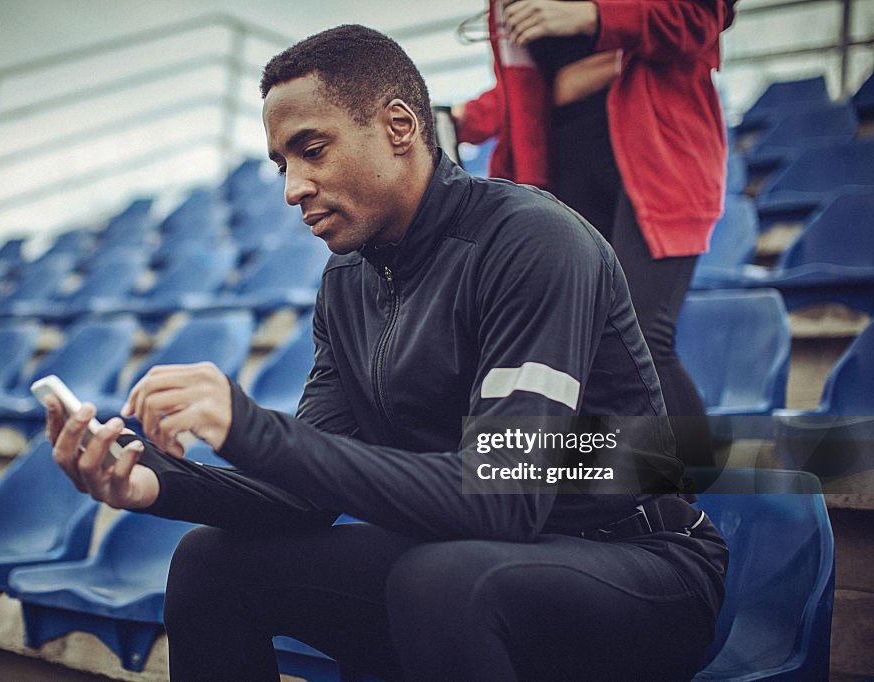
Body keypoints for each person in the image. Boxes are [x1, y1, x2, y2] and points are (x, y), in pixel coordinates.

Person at [46, 25, 728, 681]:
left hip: (640, 569)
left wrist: (249, 426)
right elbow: (299, 498)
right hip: (472, 562)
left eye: (312, 149)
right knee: (211, 563)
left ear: (400, 128)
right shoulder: (346, 283)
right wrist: (153, 483)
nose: (293, 189)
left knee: (442, 578)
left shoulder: (534, 242)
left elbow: (505, 500)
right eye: (283, 164)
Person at [453, 0, 737, 465]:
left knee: (643, 340)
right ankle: (618, 502)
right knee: (587, 349)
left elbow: (703, 17)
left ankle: (701, 503)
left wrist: (592, 16)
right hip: (561, 172)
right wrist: (467, 116)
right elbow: (528, 89)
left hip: (658, 157)